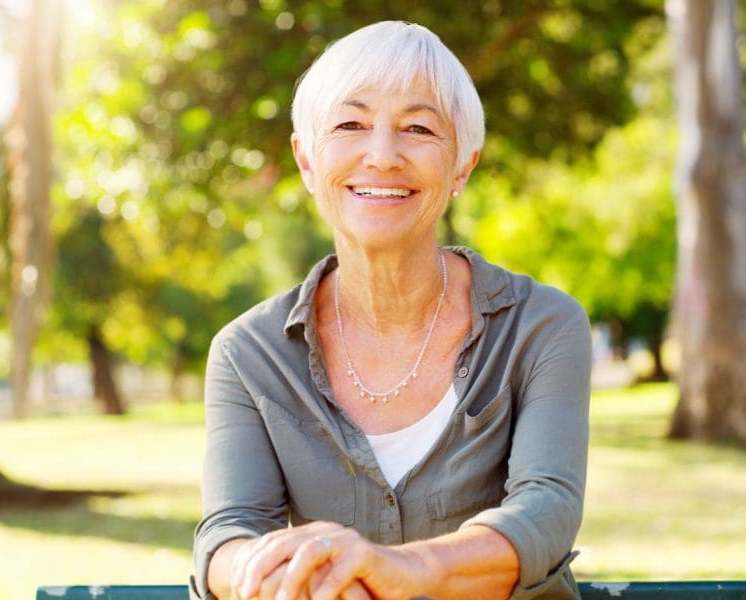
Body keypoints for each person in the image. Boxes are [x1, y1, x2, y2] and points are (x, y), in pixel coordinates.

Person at [192, 20, 592, 600]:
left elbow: (545, 513)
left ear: (461, 166)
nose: (381, 156)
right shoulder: (248, 353)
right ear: (307, 162)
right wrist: (288, 576)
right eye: (350, 124)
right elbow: (227, 535)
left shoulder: (542, 326)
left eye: (419, 128)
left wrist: (401, 571)